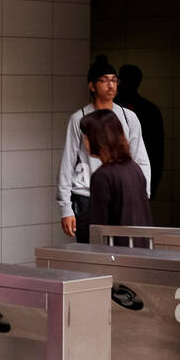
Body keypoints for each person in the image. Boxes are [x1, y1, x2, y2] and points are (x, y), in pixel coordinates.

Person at [57, 55, 150, 243]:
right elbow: (68, 161)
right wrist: (66, 207)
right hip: (86, 194)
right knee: (93, 247)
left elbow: (141, 158)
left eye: (114, 80)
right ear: (92, 86)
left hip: (121, 192)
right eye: (105, 80)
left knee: (119, 246)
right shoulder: (80, 118)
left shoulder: (128, 116)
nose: (111, 85)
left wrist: (142, 193)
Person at [79, 108, 152, 238]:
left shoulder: (103, 176)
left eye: (86, 136)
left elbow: (98, 226)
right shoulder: (134, 169)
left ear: (98, 138)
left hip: (116, 252)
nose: (84, 141)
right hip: (139, 249)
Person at [116, 63, 165, 201]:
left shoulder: (149, 111)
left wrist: (151, 186)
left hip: (138, 175)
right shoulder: (109, 109)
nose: (121, 85)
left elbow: (156, 153)